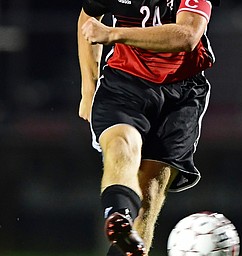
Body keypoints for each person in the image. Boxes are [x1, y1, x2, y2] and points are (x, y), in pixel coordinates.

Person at [77, 0, 220, 255]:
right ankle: (118, 214)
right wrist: (88, 87)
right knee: (122, 145)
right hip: (124, 82)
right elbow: (88, 19)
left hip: (182, 93)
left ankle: (126, 232)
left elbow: (187, 35)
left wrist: (114, 33)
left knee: (149, 192)